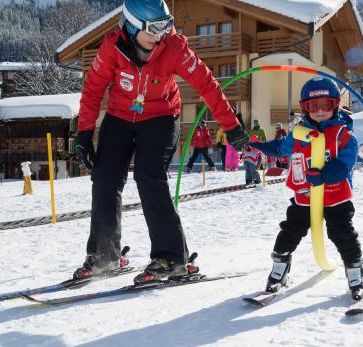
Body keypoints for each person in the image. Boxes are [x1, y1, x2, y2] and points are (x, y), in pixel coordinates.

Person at [73, 0, 249, 284]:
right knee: (104, 176)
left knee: (148, 176)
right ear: (131, 26)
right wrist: (83, 133)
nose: (160, 35)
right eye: (153, 29)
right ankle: (104, 254)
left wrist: (231, 126)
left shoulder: (174, 48)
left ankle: (171, 257)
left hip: (161, 117)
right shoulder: (112, 48)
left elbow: (207, 85)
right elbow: (93, 90)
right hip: (119, 117)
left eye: (165, 26)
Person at [251, 77, 363, 301]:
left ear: (335, 105)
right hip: (305, 197)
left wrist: (324, 174)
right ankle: (279, 269)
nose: (320, 111)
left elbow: (345, 164)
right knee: (290, 230)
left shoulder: (343, 135)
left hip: (335, 199)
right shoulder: (298, 134)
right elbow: (279, 148)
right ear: (305, 108)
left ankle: (355, 273)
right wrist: (258, 145)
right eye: (314, 106)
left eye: (326, 105)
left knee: (342, 233)